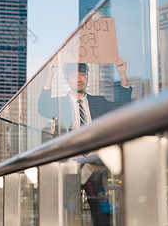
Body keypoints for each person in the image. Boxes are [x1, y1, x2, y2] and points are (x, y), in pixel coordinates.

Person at [38, 58, 132, 226]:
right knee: (70, 214)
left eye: (82, 74)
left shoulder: (98, 102)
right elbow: (43, 108)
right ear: (67, 79)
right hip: (69, 166)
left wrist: (122, 74)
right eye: (74, 75)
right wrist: (49, 76)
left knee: (102, 215)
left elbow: (123, 106)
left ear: (87, 76)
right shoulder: (60, 103)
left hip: (93, 166)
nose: (79, 78)